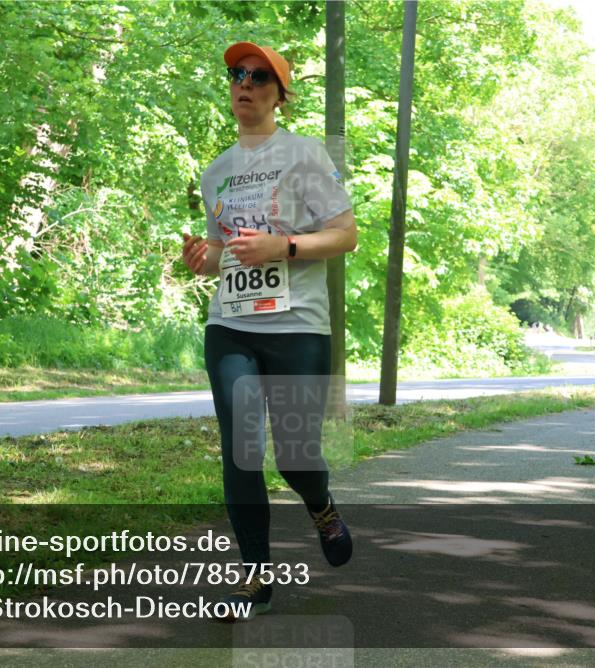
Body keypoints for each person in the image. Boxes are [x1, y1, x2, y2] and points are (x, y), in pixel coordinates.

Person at [181, 42, 357, 621]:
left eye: (259, 77)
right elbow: (219, 252)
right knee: (241, 446)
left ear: (280, 94)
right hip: (231, 323)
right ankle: (255, 576)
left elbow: (345, 235)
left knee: (297, 454)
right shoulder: (216, 173)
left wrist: (284, 245)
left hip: (298, 326)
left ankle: (322, 506)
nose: (245, 84)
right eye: (237, 74)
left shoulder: (306, 156)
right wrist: (201, 258)